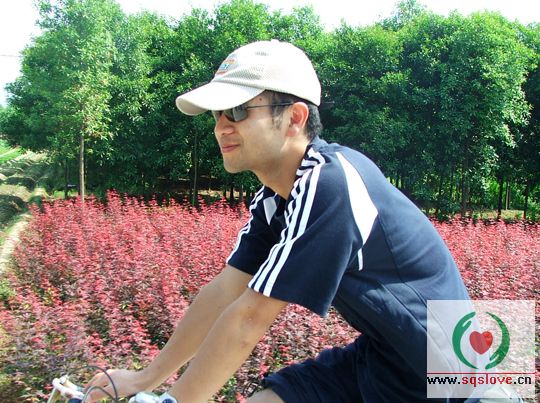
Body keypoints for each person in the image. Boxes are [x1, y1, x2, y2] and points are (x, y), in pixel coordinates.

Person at [86, 39, 472, 403]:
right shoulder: (276, 197)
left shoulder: (331, 183)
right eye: (217, 114)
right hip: (385, 357)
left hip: (451, 372)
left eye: (238, 111)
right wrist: (144, 378)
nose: (221, 127)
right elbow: (225, 292)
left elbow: (249, 319)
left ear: (294, 118)